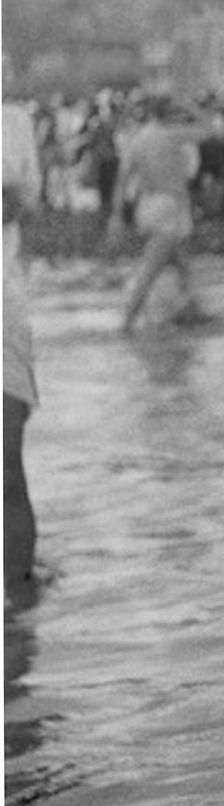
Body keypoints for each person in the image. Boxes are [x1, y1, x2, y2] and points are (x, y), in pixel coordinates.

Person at [107, 96, 205, 332]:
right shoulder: (170, 134)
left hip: (148, 204)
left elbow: (121, 182)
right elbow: (208, 129)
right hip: (169, 205)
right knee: (151, 268)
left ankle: (192, 311)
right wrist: (191, 104)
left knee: (181, 263)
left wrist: (117, 216)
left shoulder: (136, 139)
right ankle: (126, 323)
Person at [3, 80, 42, 594]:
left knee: (6, 470)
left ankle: (15, 597)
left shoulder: (12, 122)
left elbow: (18, 200)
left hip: (2, 313)